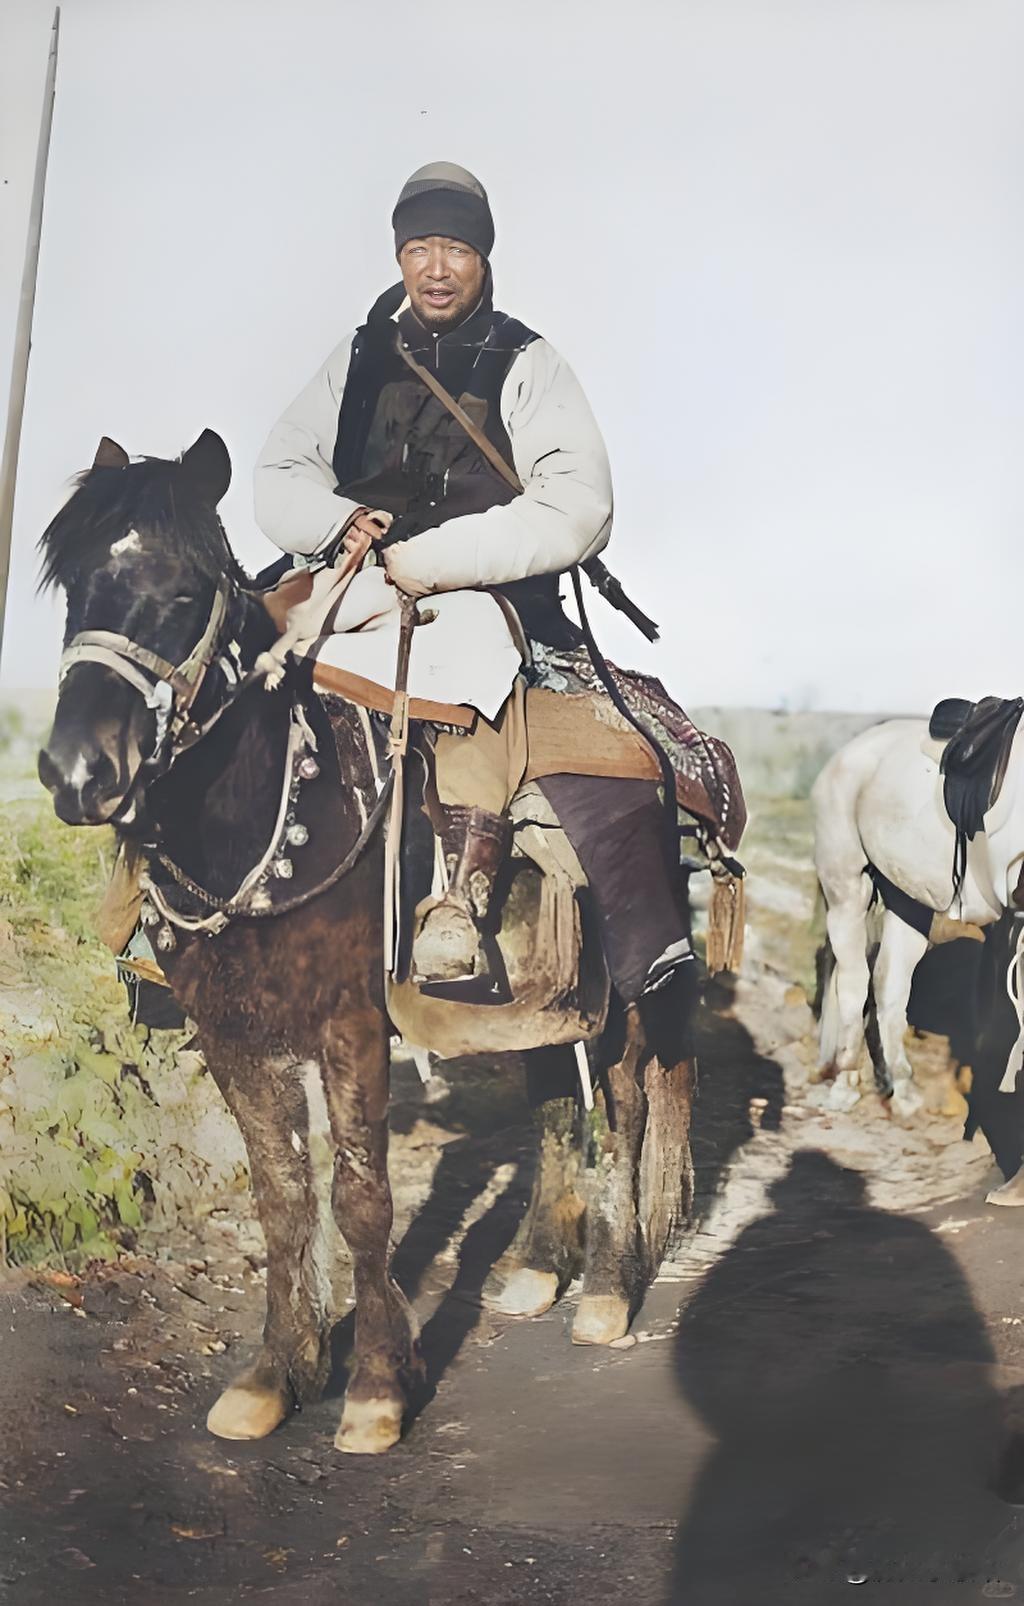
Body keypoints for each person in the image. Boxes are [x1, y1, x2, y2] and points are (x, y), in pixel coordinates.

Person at [254, 162, 694, 1014]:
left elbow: (577, 502)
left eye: (455, 247)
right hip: (352, 572)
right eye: (419, 247)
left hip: (476, 592)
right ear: (399, 255)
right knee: (241, 661)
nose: (436, 267)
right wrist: (337, 525)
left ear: (483, 260)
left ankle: (457, 901)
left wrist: (435, 561)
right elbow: (281, 467)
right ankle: (207, 905)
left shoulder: (528, 362)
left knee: (462, 671)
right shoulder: (355, 358)